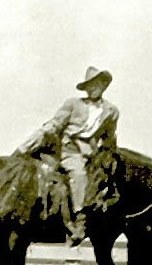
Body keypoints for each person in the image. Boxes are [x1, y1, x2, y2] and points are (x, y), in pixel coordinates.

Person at [14, 66, 119, 243]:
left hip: (94, 154)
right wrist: (35, 140)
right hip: (71, 149)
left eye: (98, 84)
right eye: (90, 85)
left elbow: (109, 138)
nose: (94, 88)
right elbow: (56, 124)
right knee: (78, 174)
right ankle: (80, 218)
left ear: (103, 86)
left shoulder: (111, 111)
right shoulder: (73, 104)